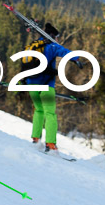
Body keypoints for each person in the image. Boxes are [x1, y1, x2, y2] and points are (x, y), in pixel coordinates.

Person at [23, 23, 82, 153]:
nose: (57, 40)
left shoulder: (33, 46)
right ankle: (50, 143)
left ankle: (35, 138)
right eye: (56, 37)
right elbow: (65, 52)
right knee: (50, 113)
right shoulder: (51, 46)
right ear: (52, 35)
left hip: (31, 84)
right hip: (46, 86)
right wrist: (76, 59)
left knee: (38, 110)